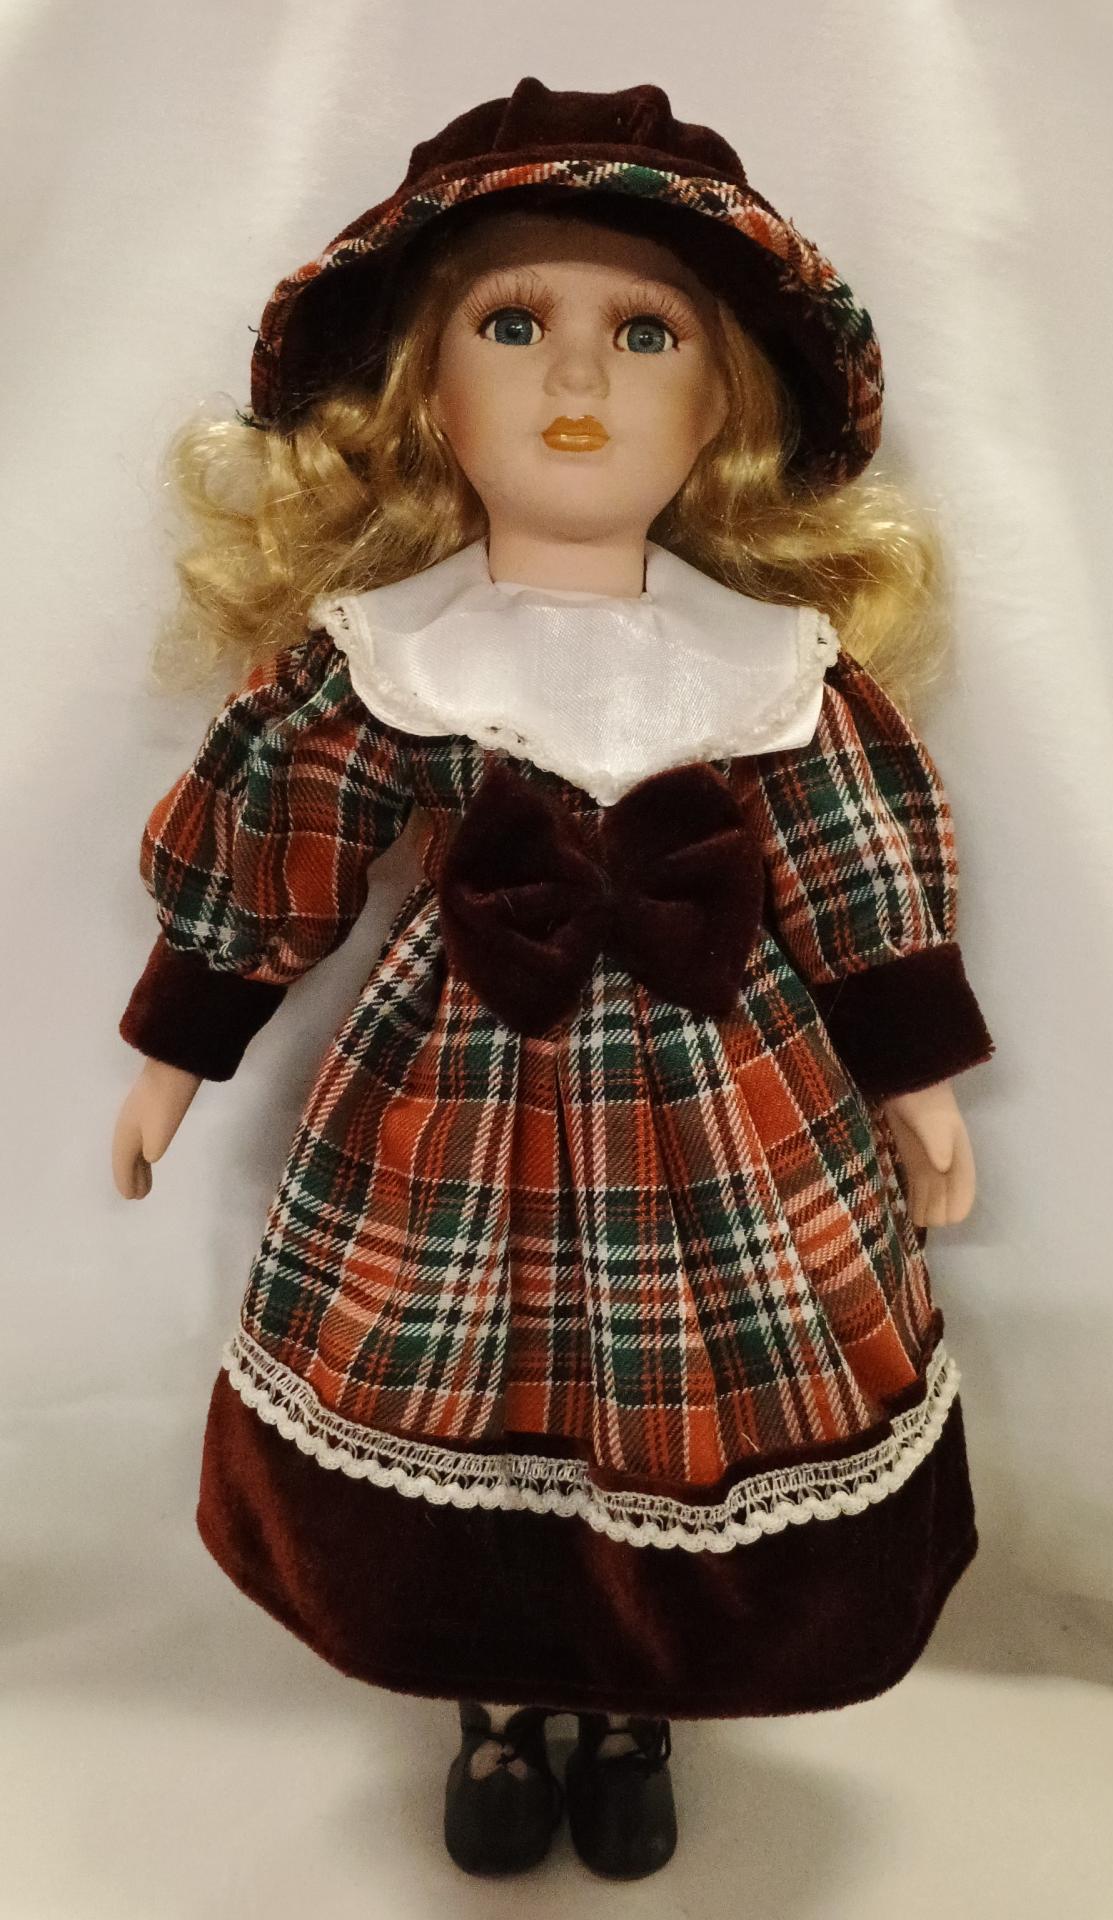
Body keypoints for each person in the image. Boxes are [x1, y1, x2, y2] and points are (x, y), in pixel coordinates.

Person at [112, 78, 996, 1881]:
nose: (576, 379)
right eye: (513, 327)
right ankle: (500, 1708)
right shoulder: (390, 658)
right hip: (456, 1101)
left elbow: (855, 858)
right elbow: (281, 838)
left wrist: (916, 1079)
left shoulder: (769, 669)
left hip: (722, 1113)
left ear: (721, 409)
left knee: (696, 1395)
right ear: (427, 396)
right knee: (459, 1388)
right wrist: (177, 1052)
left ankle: (632, 1707)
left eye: (643, 334)